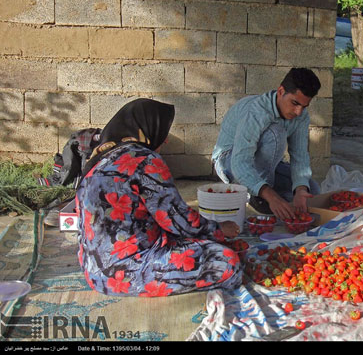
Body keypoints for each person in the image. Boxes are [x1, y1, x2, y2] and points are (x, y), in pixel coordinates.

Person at [75, 98, 243, 297]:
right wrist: (219, 229)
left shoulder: (101, 158)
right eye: (163, 131)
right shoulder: (144, 160)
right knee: (227, 262)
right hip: (123, 274)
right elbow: (177, 220)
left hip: (93, 270)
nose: (166, 140)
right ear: (147, 128)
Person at [212, 68, 321, 220]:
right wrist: (272, 198)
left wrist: (300, 189)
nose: (298, 112)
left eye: (304, 106)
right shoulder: (256, 112)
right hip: (229, 161)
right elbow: (240, 161)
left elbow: (300, 155)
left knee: (312, 190)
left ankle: (257, 188)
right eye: (295, 103)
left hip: (264, 164)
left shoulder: (301, 116)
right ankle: (257, 195)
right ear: (281, 91)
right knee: (275, 134)